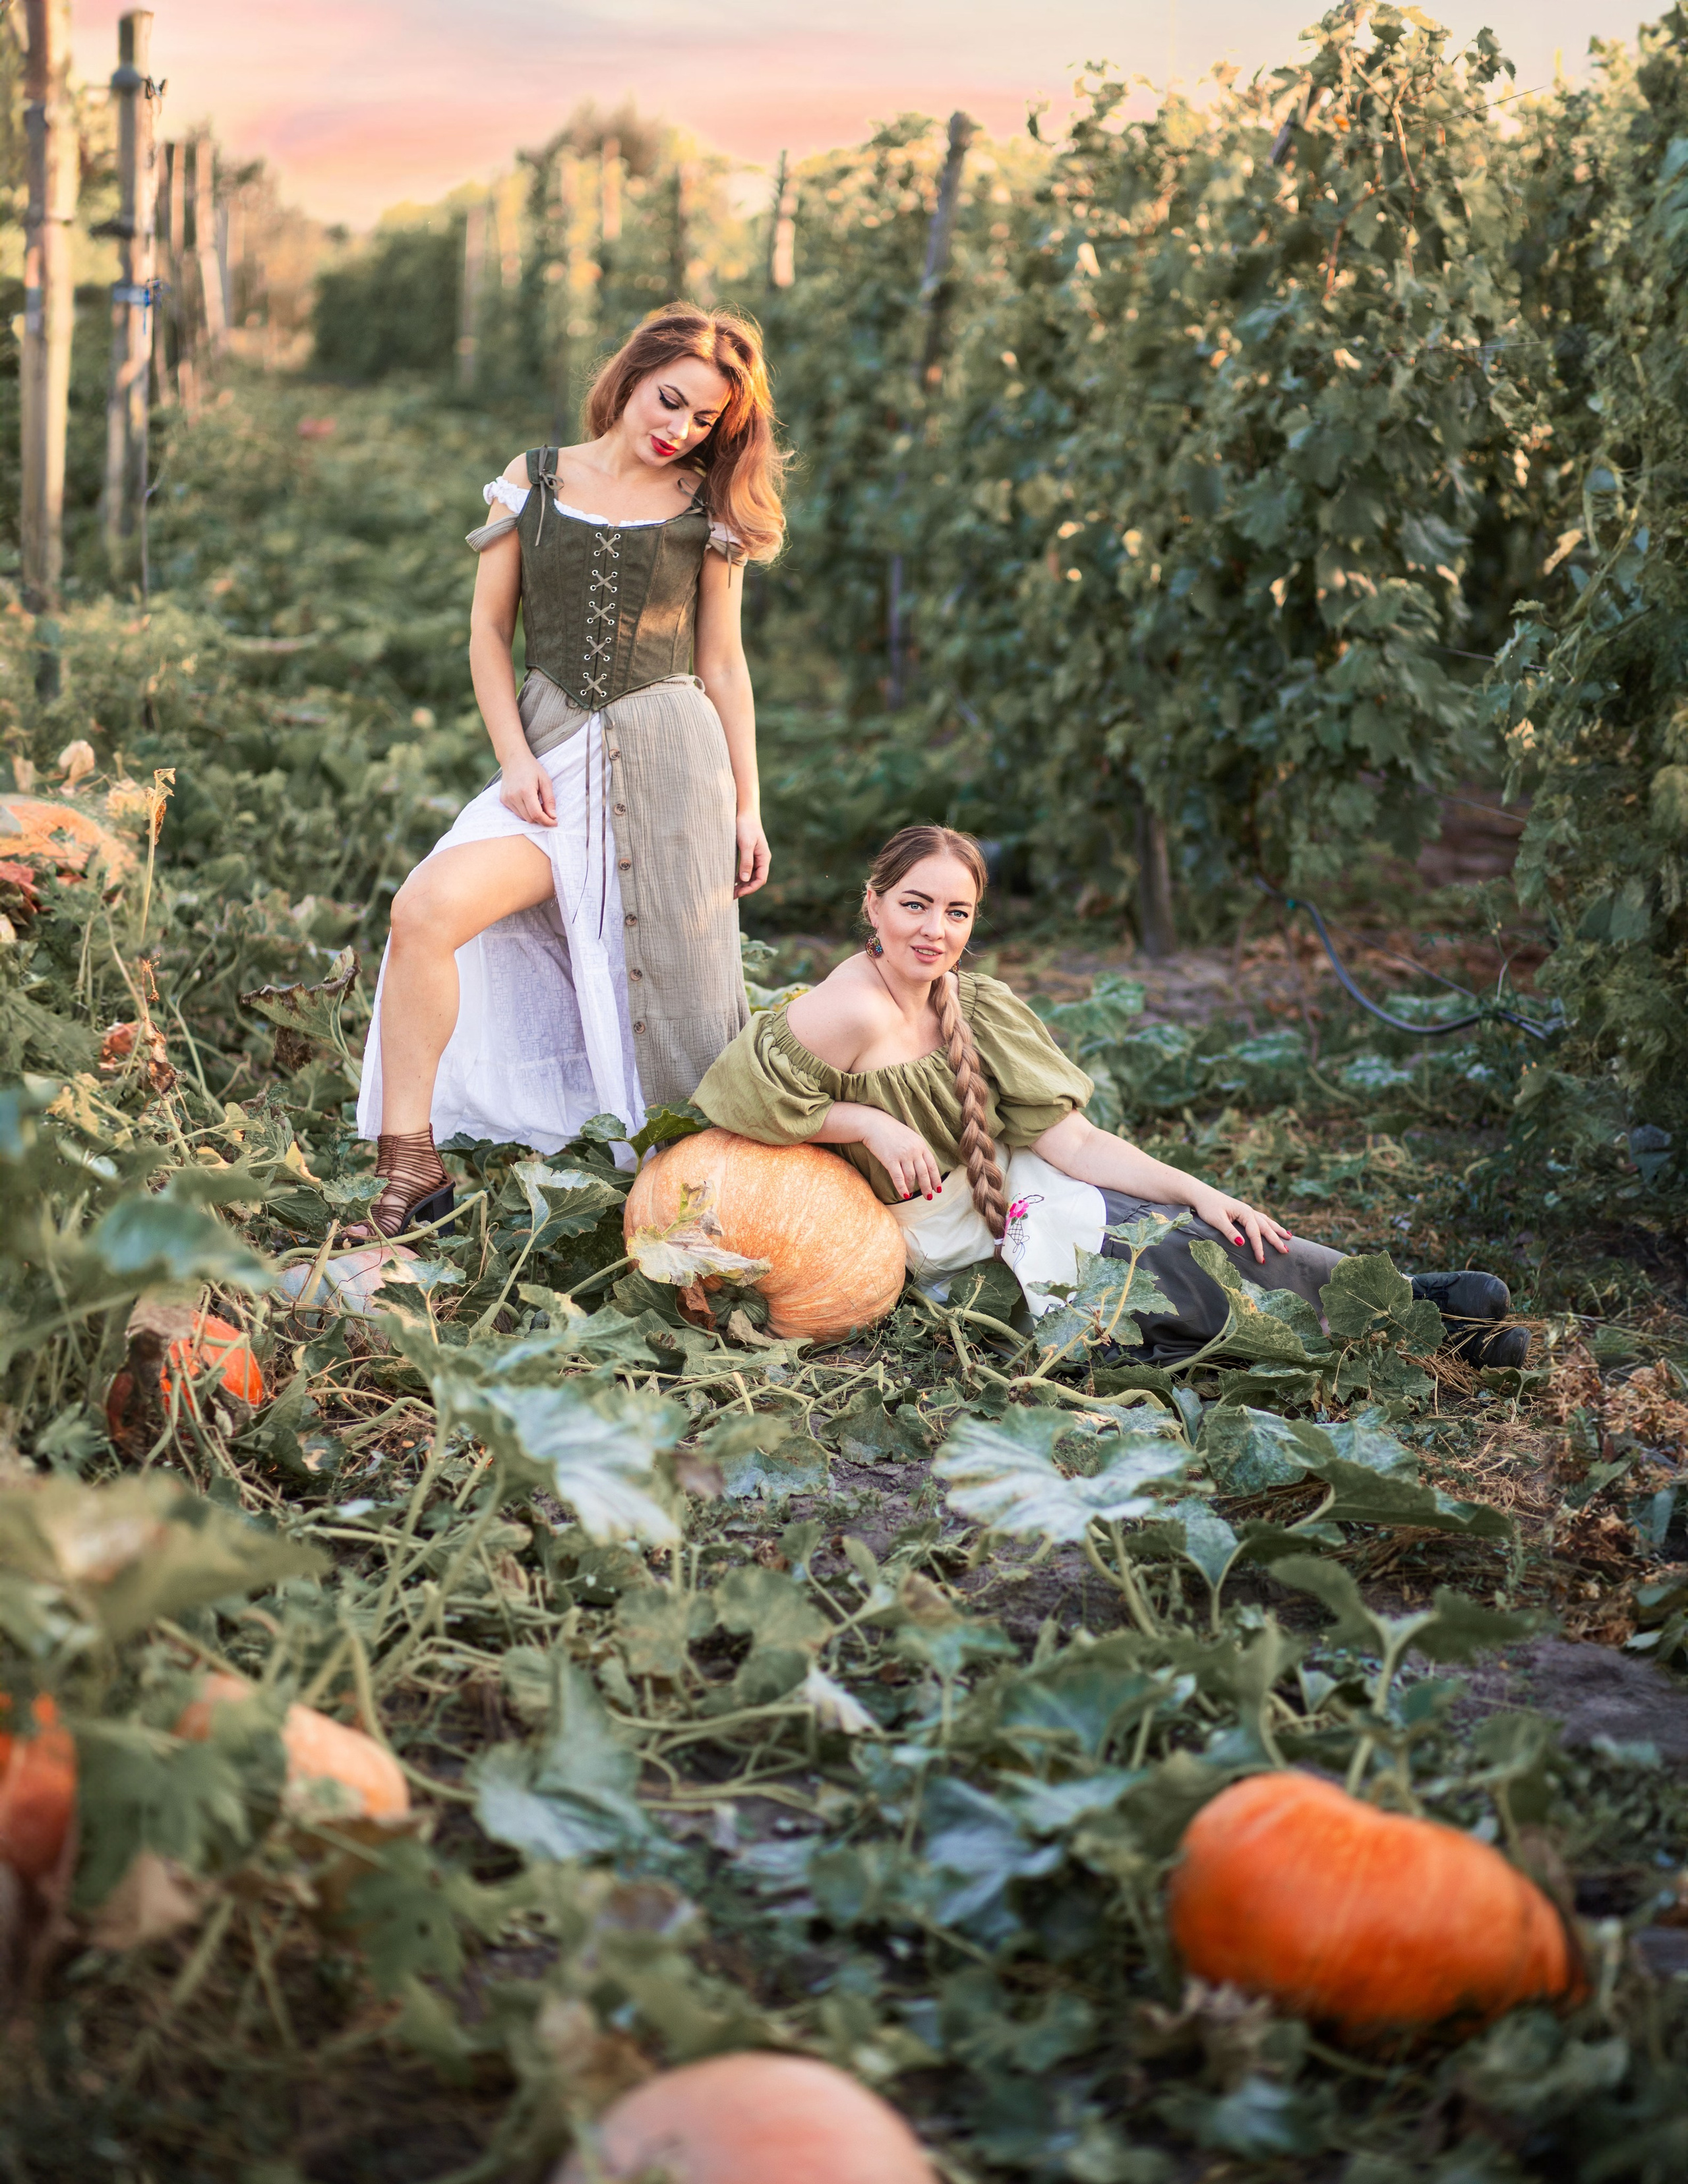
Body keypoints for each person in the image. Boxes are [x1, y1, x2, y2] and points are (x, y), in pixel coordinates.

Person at [693, 825, 1528, 1367]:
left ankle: (1396, 1298)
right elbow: (731, 1097)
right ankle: (1408, 1322)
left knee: (1176, 1226)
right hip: (948, 1242)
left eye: (956, 912)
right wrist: (866, 1122)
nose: (934, 930)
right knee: (1152, 1280)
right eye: (914, 904)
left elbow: (1074, 1143)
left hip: (1016, 1188)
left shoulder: (971, 1004)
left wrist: (1201, 1189)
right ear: (872, 903)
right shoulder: (851, 1006)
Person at [355, 305, 786, 1237]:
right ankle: (409, 1165)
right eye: (669, 400)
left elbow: (722, 664)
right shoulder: (534, 478)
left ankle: (698, 1199)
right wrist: (514, 761)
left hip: (669, 763)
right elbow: (487, 632)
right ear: (631, 377)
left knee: (680, 991)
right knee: (424, 910)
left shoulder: (706, 509)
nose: (679, 428)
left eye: (703, 418)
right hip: (551, 755)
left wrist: (749, 805)